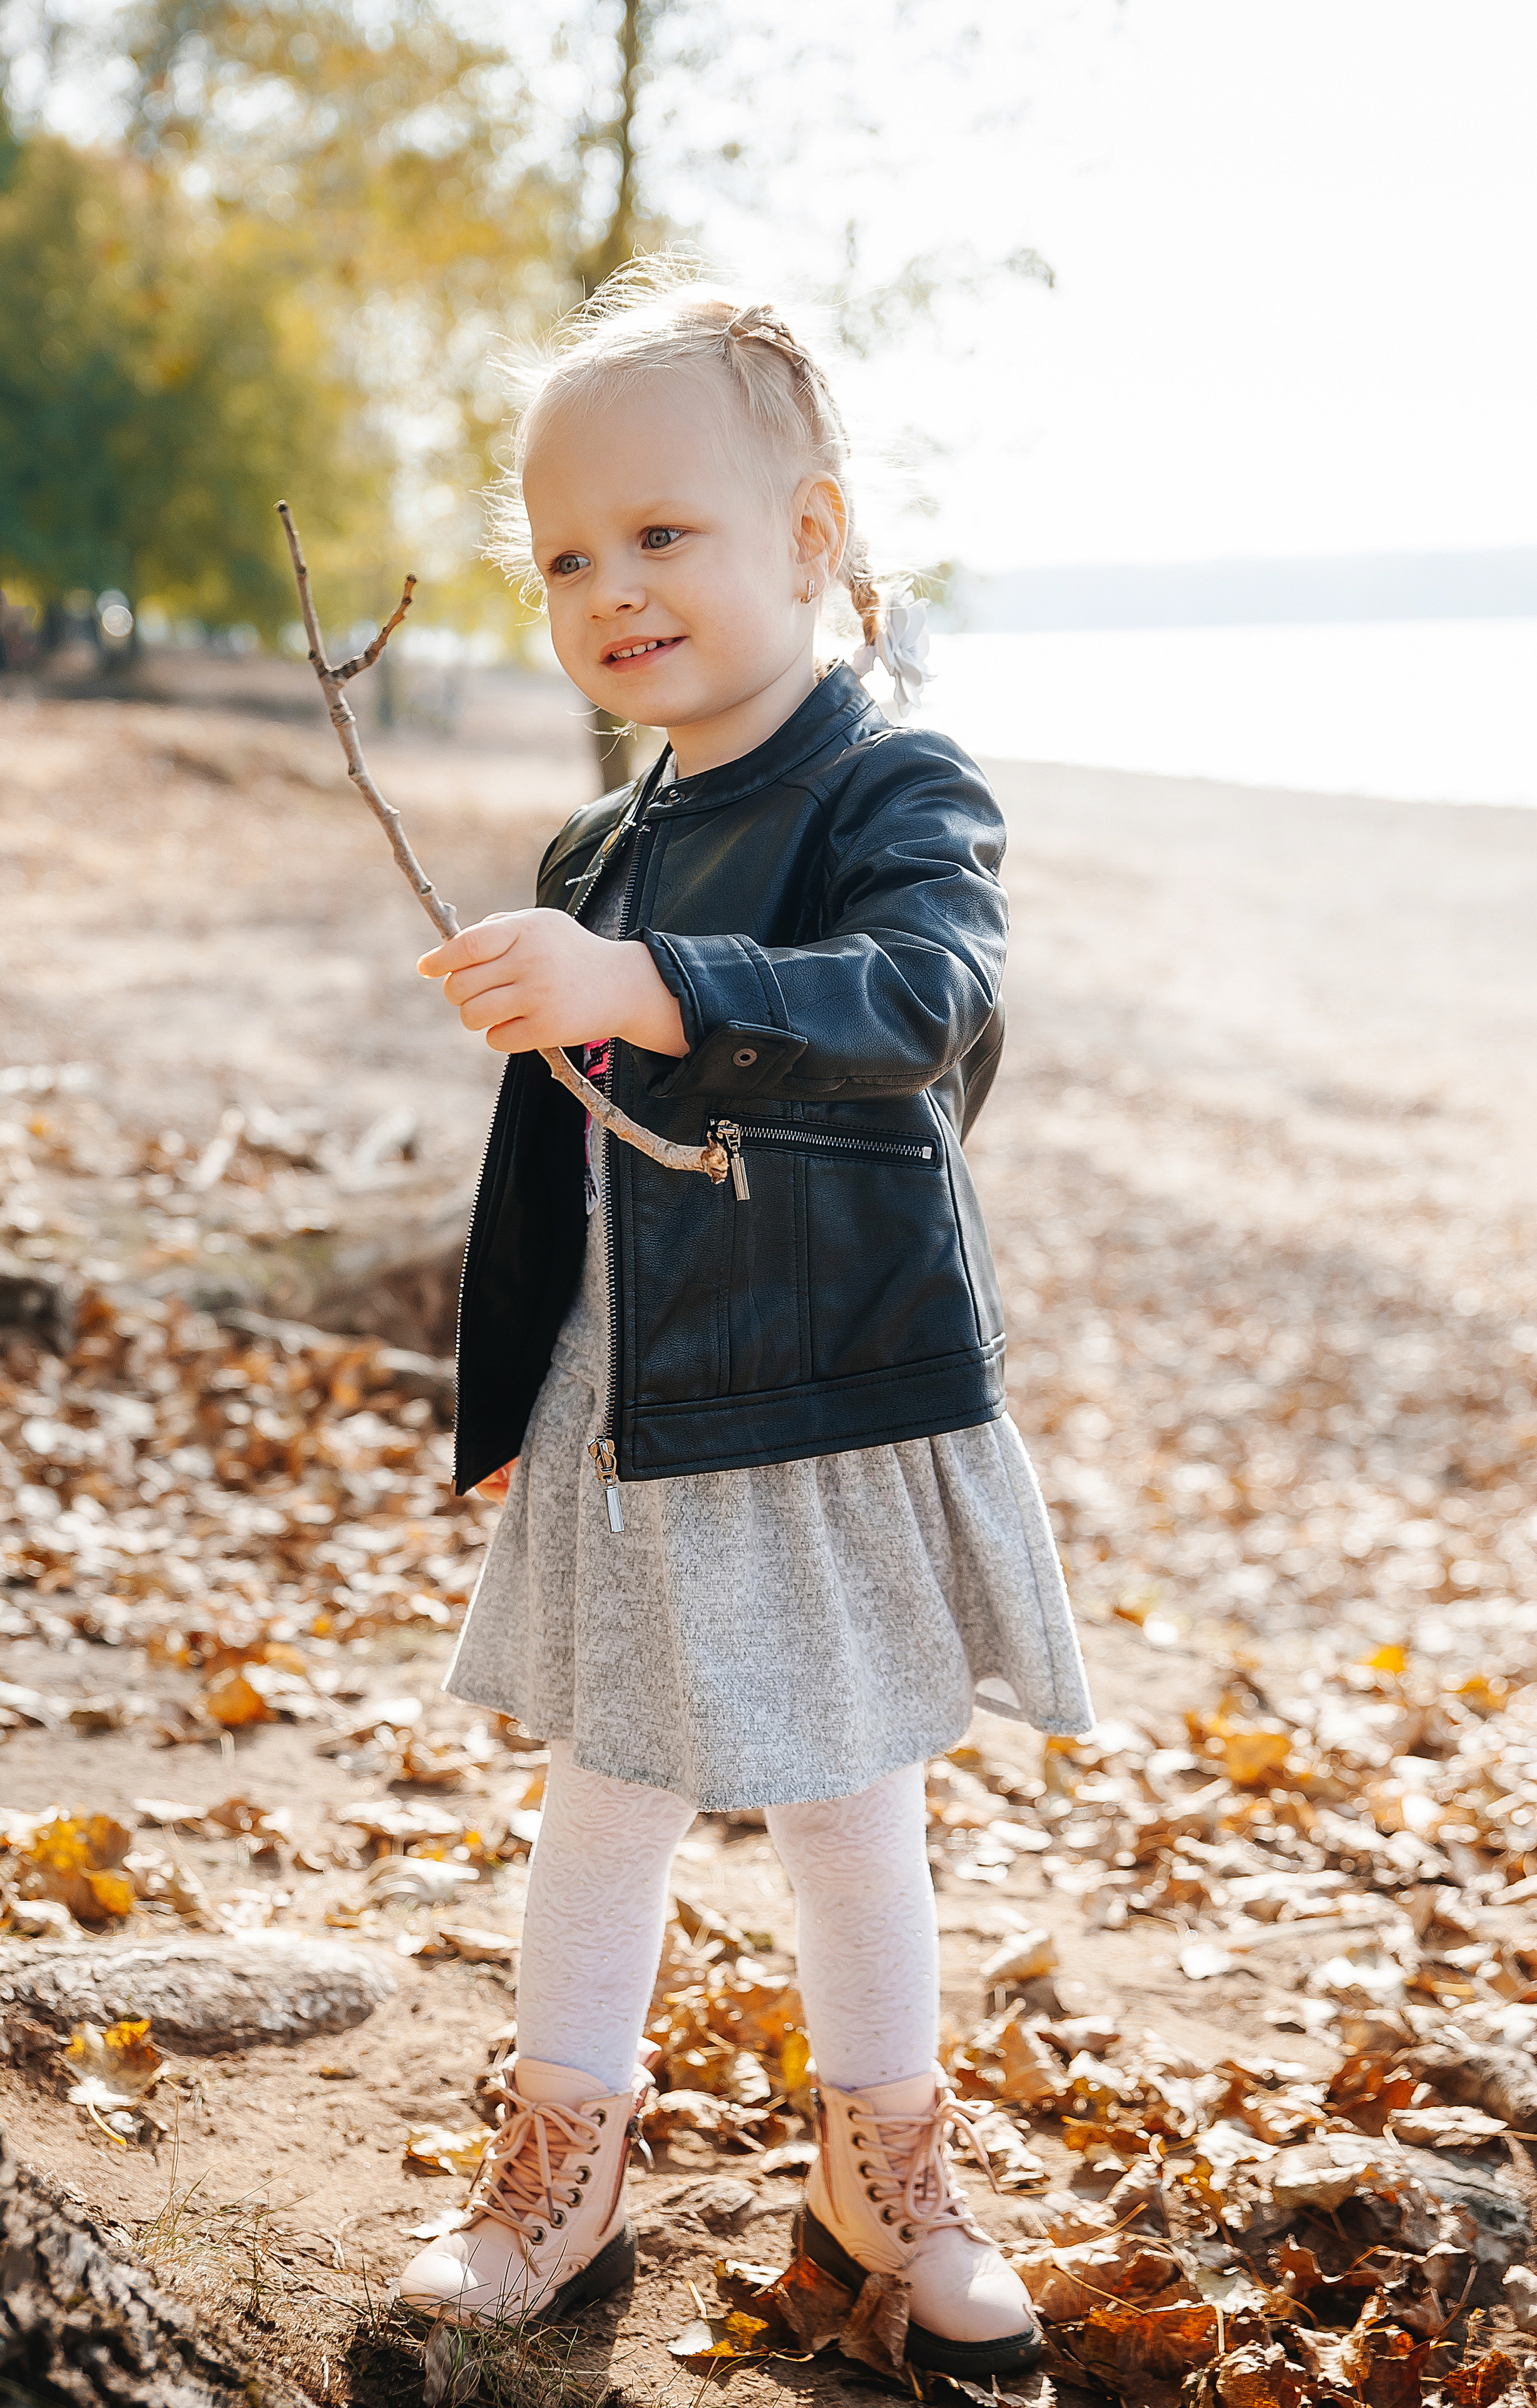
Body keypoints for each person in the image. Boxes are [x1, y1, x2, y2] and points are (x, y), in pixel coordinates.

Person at [398, 262, 1093, 2380]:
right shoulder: (593, 845)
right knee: (608, 1788)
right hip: (630, 1405)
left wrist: (661, 991)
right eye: (569, 558)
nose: (612, 588)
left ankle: (889, 2172)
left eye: (664, 535)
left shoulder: (897, 788)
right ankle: (562, 2164)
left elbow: (929, 1005)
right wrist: (510, 1385)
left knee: (851, 1800)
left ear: (811, 539)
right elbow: (550, 1160)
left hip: (821, 1390)